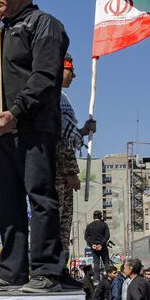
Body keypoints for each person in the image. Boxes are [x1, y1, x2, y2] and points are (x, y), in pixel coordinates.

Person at [0, 0, 69, 293]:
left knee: (40, 197)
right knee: (4, 202)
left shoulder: (45, 25)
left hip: (33, 128)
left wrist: (16, 113)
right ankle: (11, 270)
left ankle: (45, 271)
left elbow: (45, 76)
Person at [55, 53, 95, 286]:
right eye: (70, 69)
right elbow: (60, 139)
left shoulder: (61, 98)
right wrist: (70, 170)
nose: (74, 74)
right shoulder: (54, 98)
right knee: (58, 222)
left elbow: (69, 136)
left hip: (61, 170)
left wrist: (82, 131)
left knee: (64, 224)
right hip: (57, 172)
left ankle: (60, 268)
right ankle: (55, 269)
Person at [84, 211, 111, 283]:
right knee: (106, 262)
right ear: (100, 216)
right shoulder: (104, 225)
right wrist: (101, 244)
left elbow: (86, 237)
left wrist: (92, 244)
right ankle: (110, 277)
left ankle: (96, 280)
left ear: (93, 217)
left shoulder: (89, 226)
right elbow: (107, 236)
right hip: (103, 247)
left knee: (96, 263)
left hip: (94, 247)